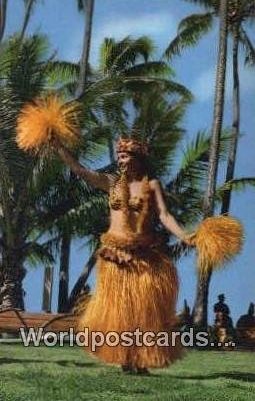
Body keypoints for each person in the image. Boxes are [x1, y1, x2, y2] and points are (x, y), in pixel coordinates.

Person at [53, 136, 195, 374]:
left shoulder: (152, 185)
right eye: (119, 157)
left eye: (125, 156)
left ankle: (142, 359)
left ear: (138, 159)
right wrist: (58, 146)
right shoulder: (112, 183)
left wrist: (185, 236)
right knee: (120, 312)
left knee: (144, 310)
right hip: (115, 255)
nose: (121, 161)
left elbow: (164, 215)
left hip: (144, 256)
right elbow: (79, 169)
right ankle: (124, 358)